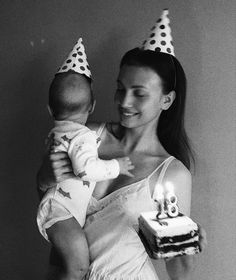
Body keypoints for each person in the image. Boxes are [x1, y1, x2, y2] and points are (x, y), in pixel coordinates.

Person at [37, 10, 207, 280]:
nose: (124, 102)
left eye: (139, 93)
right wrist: (46, 175)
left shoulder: (171, 174)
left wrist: (187, 245)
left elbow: (178, 272)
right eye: (120, 88)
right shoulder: (88, 136)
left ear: (167, 100)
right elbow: (52, 202)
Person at [37, 39, 134, 280]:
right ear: (92, 106)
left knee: (67, 264)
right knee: (78, 267)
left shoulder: (55, 133)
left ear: (50, 110)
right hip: (63, 211)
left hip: (55, 205)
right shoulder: (84, 136)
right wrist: (116, 166)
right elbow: (85, 169)